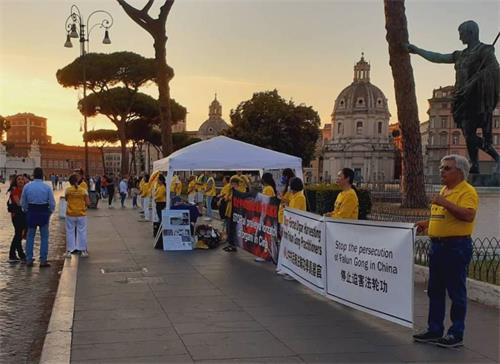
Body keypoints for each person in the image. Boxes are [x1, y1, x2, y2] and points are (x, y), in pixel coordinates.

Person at [407, 21, 500, 174]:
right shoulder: (460, 55)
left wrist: (477, 78)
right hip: (462, 97)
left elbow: (495, 70)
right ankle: (484, 161)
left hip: (477, 99)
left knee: (470, 133)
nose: (459, 37)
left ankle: (479, 164)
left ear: (471, 33)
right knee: (468, 134)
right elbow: (438, 57)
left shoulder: (485, 51)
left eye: (461, 33)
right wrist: (418, 50)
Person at [414, 155, 478, 348]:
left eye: (447, 168)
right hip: (438, 247)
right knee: (435, 290)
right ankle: (434, 329)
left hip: (455, 247)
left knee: (456, 292)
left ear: (459, 171)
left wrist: (445, 203)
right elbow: (442, 217)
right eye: (442, 167)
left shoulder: (467, 191)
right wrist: (426, 224)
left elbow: (468, 215)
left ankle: (456, 333)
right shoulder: (445, 190)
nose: (442, 171)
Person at [21, 167, 56, 268]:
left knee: (30, 236)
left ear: (33, 175)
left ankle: (29, 259)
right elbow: (52, 203)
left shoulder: (27, 186)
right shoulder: (47, 187)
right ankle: (43, 260)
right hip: (43, 212)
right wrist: (50, 211)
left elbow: (23, 202)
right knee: (44, 237)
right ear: (42, 175)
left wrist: (26, 210)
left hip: (31, 212)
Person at [64, 174, 90, 257]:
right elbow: (88, 202)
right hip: (81, 214)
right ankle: (82, 250)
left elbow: (66, 199)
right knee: (82, 232)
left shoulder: (68, 190)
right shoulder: (83, 190)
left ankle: (69, 251)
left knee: (70, 232)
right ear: (77, 181)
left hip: (70, 214)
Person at [7, 175, 27, 263]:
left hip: (23, 215)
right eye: (19, 179)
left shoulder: (25, 190)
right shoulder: (15, 191)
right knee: (18, 234)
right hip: (16, 216)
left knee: (19, 235)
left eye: (22, 179)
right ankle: (13, 254)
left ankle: (20, 254)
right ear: (16, 181)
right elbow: (19, 204)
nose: (20, 181)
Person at [222, 176, 242, 252]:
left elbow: (235, 199)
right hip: (229, 211)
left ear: (235, 184)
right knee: (228, 228)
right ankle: (230, 243)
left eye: (232, 184)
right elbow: (226, 198)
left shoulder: (239, 190)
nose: (231, 185)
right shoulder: (231, 190)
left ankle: (233, 245)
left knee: (233, 229)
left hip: (235, 212)